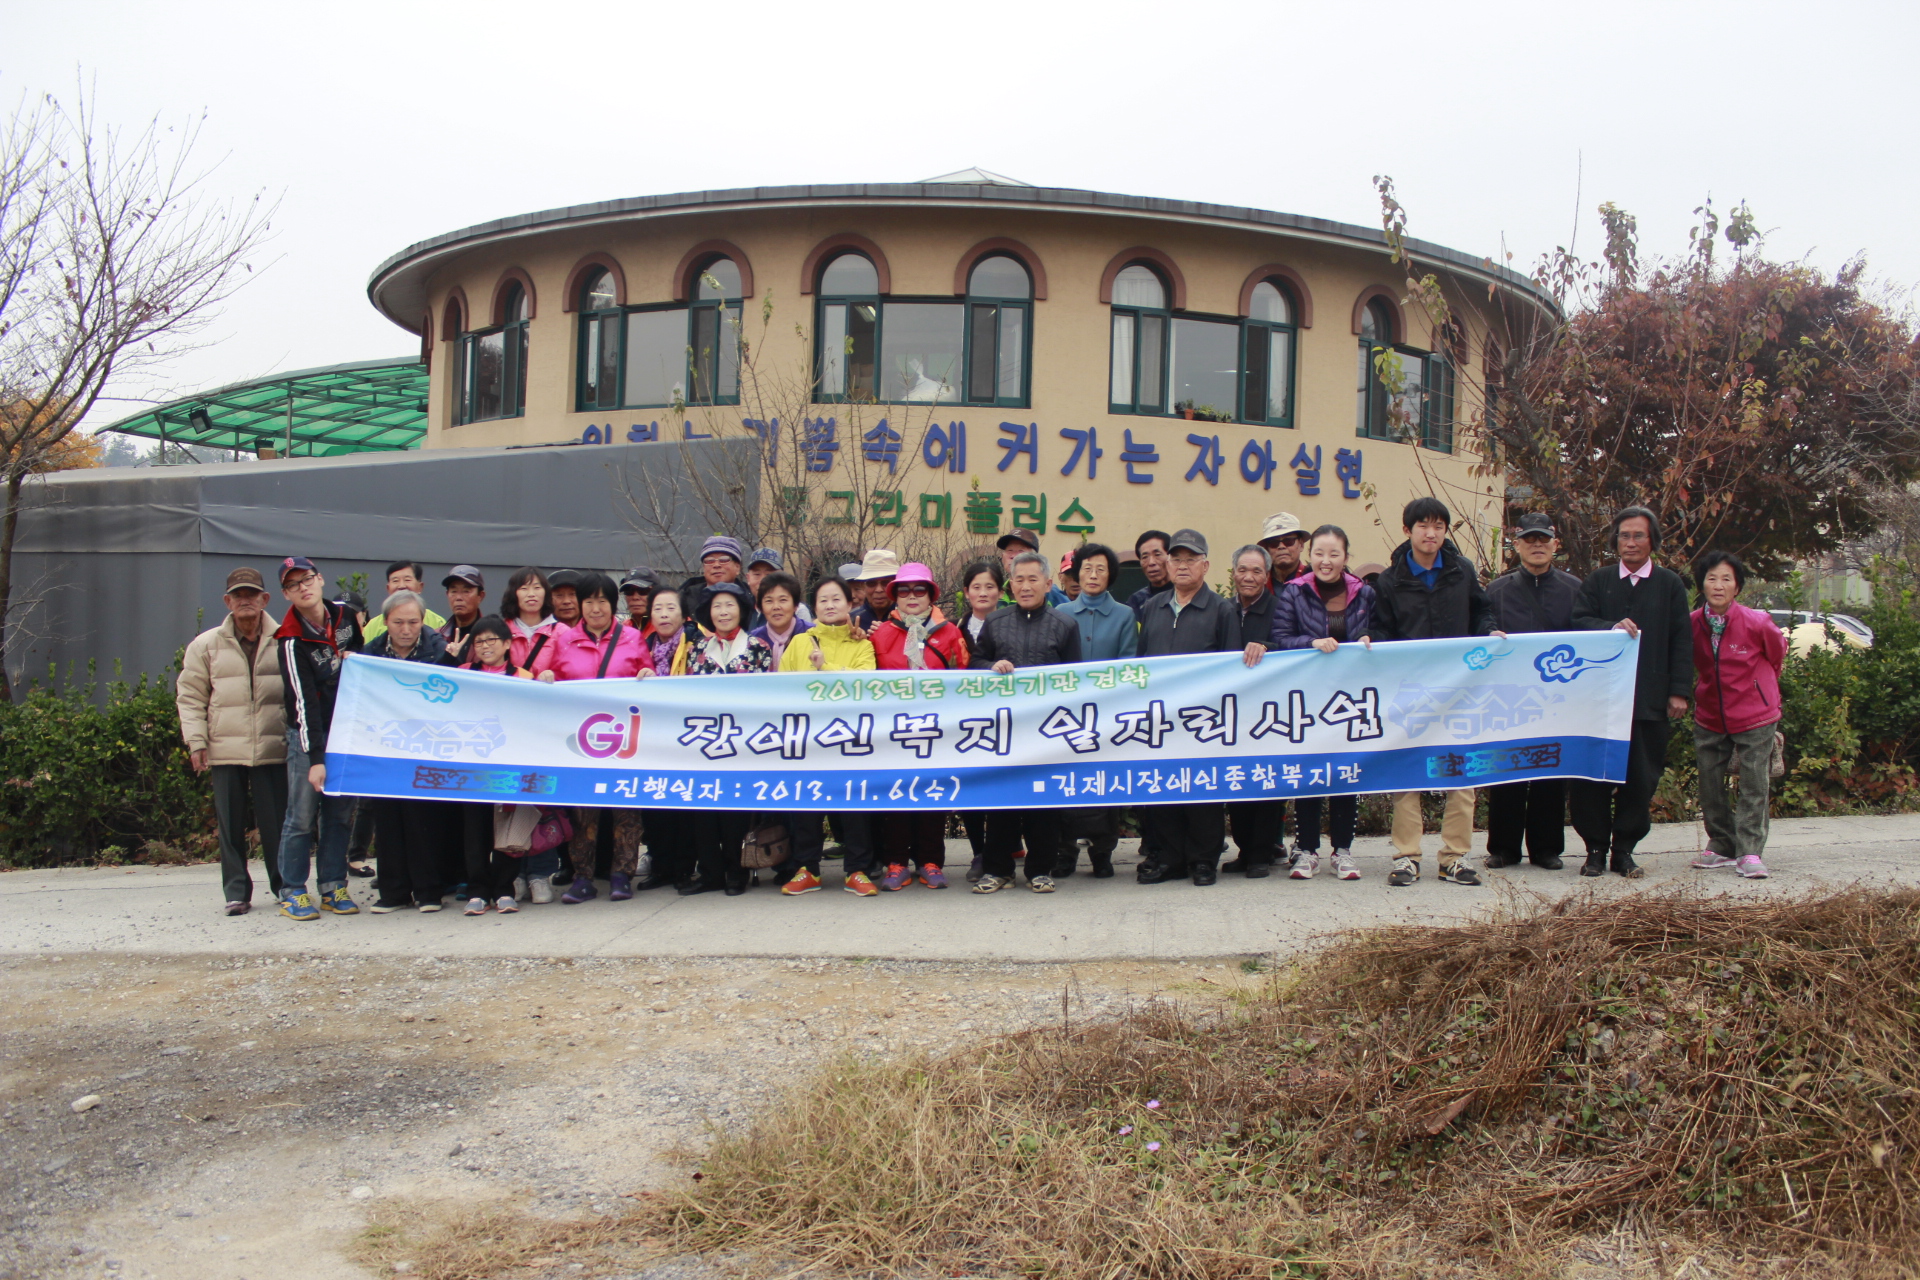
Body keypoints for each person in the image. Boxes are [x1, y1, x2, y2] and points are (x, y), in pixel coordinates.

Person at [1362, 498, 1498, 888]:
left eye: (1438, 526)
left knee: (1462, 772)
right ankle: (1407, 857)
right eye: (1423, 525)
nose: (1431, 533)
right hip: (1412, 690)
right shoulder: (1390, 580)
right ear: (1408, 531)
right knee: (1407, 774)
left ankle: (1454, 857)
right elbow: (1382, 626)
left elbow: (1481, 612)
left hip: (1459, 687)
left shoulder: (1461, 570)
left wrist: (1489, 632)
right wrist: (1372, 639)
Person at [1570, 506, 1694, 879]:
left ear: (1652, 540)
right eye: (1624, 535)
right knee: (1592, 779)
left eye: (1639, 535)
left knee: (1640, 779)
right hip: (1600, 701)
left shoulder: (1669, 584)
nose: (1631, 542)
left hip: (1648, 700)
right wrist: (1610, 627)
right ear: (1615, 541)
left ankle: (1624, 850)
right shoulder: (1599, 581)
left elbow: (1681, 640)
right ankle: (1594, 850)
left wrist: (1679, 691)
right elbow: (1578, 622)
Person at [177, 567, 288, 916]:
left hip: (273, 748)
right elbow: (190, 696)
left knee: (277, 825)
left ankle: (285, 887)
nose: (245, 600)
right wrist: (196, 741)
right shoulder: (205, 645)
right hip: (224, 749)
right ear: (227, 601)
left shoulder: (286, 639)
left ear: (264, 599)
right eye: (238, 595)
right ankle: (236, 892)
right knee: (230, 826)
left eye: (251, 594)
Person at [969, 551, 1081, 893]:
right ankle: (998, 870)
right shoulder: (996, 622)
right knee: (1001, 802)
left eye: (1033, 579)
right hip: (1005, 730)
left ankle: (1040, 870)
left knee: (1042, 804)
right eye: (1019, 579)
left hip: (1046, 730)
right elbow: (975, 663)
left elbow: (1075, 678)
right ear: (1010, 585)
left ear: (1048, 584)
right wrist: (991, 667)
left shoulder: (1065, 625)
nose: (1025, 586)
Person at [1270, 526, 1376, 881]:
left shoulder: (1365, 593)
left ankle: (1343, 851)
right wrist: (1311, 643)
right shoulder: (1294, 591)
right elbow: (1279, 639)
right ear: (1309, 554)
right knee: (1310, 773)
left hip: (1351, 697)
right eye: (1319, 553)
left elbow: (1383, 633)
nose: (1325, 561)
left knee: (1346, 773)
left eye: (1334, 554)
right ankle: (1307, 850)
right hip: (1309, 697)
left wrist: (1370, 637)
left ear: (1346, 557)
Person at [1133, 530, 1239, 886]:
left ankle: (1203, 860)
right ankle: (1170, 859)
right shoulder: (1154, 606)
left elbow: (1231, 668)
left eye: (1190, 559)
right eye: (1176, 559)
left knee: (1202, 790)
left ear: (1205, 566)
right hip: (1161, 718)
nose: (1182, 566)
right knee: (1164, 788)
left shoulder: (1221, 609)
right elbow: (1142, 660)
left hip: (1202, 719)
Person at [1482, 513, 1583, 871]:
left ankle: (1546, 848)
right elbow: (1481, 630)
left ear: (1556, 544)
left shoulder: (1575, 589)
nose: (1537, 545)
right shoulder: (1497, 591)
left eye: (1544, 539)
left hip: (1557, 698)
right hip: (1509, 697)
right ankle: (1503, 848)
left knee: (1550, 771)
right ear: (1517, 545)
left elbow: (1587, 636)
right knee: (1506, 771)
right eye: (1529, 539)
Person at [545, 572, 648, 904]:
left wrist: (649, 675)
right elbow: (556, 681)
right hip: (580, 742)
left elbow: (649, 683)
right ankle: (583, 877)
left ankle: (621, 875)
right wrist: (546, 677)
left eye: (602, 600)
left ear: (613, 604)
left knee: (626, 809)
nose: (595, 607)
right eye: (588, 601)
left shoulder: (632, 638)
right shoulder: (565, 640)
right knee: (582, 811)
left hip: (624, 740)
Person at [273, 557, 365, 921]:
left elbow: (362, 661)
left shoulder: (345, 617)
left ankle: (333, 885)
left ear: (320, 579)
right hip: (308, 734)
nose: (303, 588)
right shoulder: (290, 639)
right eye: (293, 585)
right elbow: (302, 702)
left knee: (340, 815)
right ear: (286, 594)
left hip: (347, 731)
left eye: (307, 579)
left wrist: (355, 657)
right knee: (301, 816)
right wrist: (315, 758)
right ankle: (292, 890)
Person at [777, 576, 880, 896]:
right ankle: (807, 869)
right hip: (808, 738)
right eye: (823, 600)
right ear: (814, 607)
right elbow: (781, 686)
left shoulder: (862, 644)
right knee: (807, 804)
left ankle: (857, 870)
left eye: (837, 599)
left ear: (850, 604)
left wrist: (825, 667)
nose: (830, 605)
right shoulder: (800, 642)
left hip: (851, 737)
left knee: (854, 805)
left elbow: (865, 684)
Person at [871, 563, 969, 891]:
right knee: (896, 794)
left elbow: (965, 678)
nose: (911, 596)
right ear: (895, 596)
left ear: (931, 595)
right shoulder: (880, 634)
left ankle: (931, 861)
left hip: (937, 729)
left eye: (919, 589)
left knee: (932, 793)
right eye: (904, 590)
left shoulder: (950, 633)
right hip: (893, 730)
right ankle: (896, 862)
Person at [1688, 551, 1784, 881]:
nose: (1718, 585)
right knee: (1709, 782)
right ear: (1702, 584)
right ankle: (1722, 843)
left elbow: (1776, 655)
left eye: (1726, 579)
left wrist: (1760, 686)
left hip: (1755, 713)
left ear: (1737, 587)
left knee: (1754, 782)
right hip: (1710, 713)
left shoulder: (1757, 622)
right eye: (1712, 578)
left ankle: (1750, 851)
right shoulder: (1692, 623)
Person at [363, 591, 454, 913]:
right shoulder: (369, 655)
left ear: (423, 621)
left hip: (427, 749)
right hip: (385, 749)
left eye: (413, 622)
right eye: (398, 622)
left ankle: (429, 891)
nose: (406, 629)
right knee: (388, 820)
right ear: (386, 622)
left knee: (424, 821)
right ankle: (394, 892)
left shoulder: (440, 652)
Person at [684, 581, 772, 896]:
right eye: (717, 606)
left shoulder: (758, 647)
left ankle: (737, 872)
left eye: (729, 605)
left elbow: (767, 696)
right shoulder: (696, 649)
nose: (723, 612)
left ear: (742, 610)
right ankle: (710, 873)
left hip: (742, 742)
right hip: (706, 740)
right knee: (704, 811)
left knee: (735, 810)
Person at [1057, 542, 1136, 878]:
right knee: (1065, 785)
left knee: (1105, 785)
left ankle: (1103, 853)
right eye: (1087, 568)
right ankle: (1065, 853)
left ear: (1110, 575)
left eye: (1100, 569)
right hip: (1067, 717)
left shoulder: (1124, 615)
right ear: (1077, 573)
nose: (1092, 575)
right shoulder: (1061, 613)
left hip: (1106, 717)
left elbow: (1128, 664)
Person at [1223, 544, 1285, 878]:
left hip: (1268, 713)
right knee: (1237, 782)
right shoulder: (1224, 609)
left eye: (1257, 571)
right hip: (1232, 713)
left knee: (1265, 782)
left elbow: (1292, 644)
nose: (1248, 577)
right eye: (1243, 570)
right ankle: (1245, 850)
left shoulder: (1280, 607)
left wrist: (1267, 647)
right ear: (1233, 573)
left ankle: (1262, 853)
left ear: (1267, 575)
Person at [954, 558, 1006, 881]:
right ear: (966, 592)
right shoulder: (953, 629)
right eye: (976, 587)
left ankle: (1003, 847)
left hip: (1003, 720)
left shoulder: (1012, 625)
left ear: (1000, 591)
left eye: (990, 586)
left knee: (1002, 786)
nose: (983, 592)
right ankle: (979, 852)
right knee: (969, 787)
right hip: (964, 721)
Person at [363, 561, 447, 641]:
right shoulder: (373, 626)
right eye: (395, 581)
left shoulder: (438, 622)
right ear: (388, 588)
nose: (401, 586)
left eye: (407, 580)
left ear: (420, 586)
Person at [503, 566, 559, 678]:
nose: (531, 594)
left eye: (537, 587)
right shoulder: (502, 630)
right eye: (524, 588)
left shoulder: (562, 632)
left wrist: (554, 675)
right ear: (513, 594)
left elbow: (570, 671)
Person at [750, 571, 811, 668]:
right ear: (761, 607)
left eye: (783, 600)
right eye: (769, 601)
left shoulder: (811, 634)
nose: (776, 607)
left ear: (795, 605)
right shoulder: (754, 639)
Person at [996, 528, 1069, 606]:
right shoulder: (996, 592)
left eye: (1021, 551)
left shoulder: (1050, 593)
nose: (1013, 556)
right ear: (1002, 557)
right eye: (1010, 551)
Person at [440, 565, 487, 663]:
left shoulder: (491, 638)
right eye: (454, 591)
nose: (459, 598)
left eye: (466, 591)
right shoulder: (438, 636)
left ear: (480, 596)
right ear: (447, 594)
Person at [1127, 530, 1173, 620]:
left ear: (1171, 557)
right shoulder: (1137, 601)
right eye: (1145, 557)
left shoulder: (1184, 596)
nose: (1151, 562)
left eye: (1157, 555)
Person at [1257, 512, 1308, 593]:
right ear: (1266, 549)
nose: (1281, 546)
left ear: (1301, 545)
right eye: (1274, 543)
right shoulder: (1258, 583)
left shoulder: (1314, 581)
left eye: (1288, 541)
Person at [850, 548, 901, 628]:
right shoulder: (851, 619)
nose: (878, 590)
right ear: (863, 586)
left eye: (885, 583)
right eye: (871, 583)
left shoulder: (908, 620)